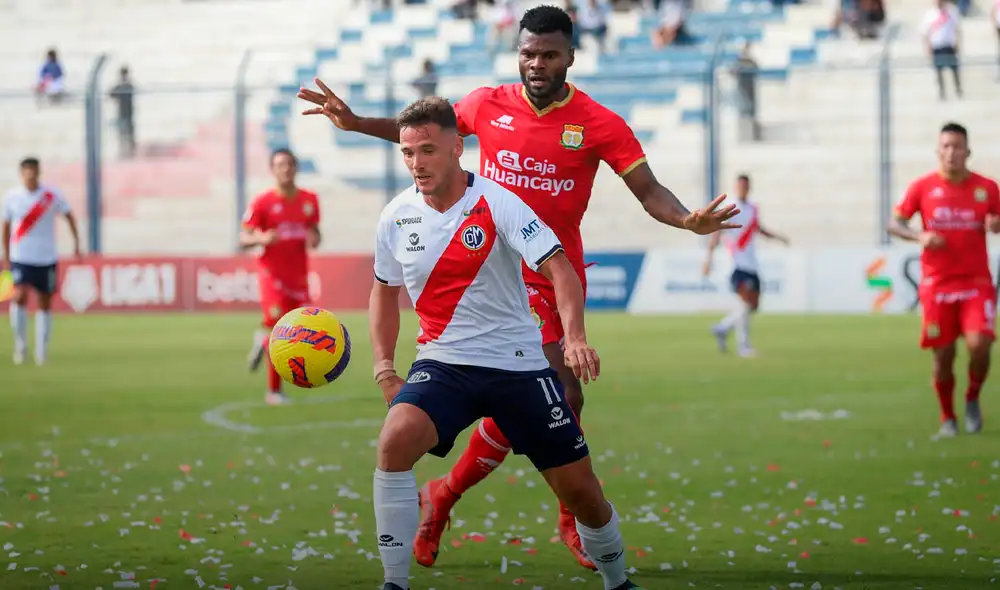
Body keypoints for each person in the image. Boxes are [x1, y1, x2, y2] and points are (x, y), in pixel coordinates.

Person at [297, 4, 739, 570]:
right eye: (528, 53)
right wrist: (358, 123)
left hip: (555, 272)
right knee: (561, 395)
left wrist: (686, 220)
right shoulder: (487, 104)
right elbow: (429, 136)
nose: (537, 63)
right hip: (494, 272)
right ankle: (564, 516)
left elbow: (649, 191)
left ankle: (445, 496)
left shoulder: (600, 123)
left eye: (549, 54)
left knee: (546, 398)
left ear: (571, 57)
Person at [369, 95, 645, 590]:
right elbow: (384, 292)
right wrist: (385, 368)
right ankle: (394, 582)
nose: (416, 163)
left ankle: (618, 581)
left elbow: (560, 268)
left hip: (518, 366)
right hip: (444, 363)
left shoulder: (498, 202)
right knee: (394, 441)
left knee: (582, 492)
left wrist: (575, 338)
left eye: (428, 150)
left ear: (457, 147)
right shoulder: (396, 215)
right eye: (408, 152)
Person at [888, 122, 1000, 437]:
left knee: (980, 344)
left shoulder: (987, 188)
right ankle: (948, 416)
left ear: (968, 151)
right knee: (943, 355)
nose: (951, 153)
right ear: (938, 151)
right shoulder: (922, 187)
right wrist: (919, 236)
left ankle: (973, 396)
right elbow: (894, 223)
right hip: (937, 284)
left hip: (976, 282)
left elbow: (998, 219)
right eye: (946, 147)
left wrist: (996, 224)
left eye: (957, 147)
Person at [240, 148, 321, 405]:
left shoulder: (309, 200)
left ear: (296, 168)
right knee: (280, 330)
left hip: (299, 276)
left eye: (289, 164)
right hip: (272, 276)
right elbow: (243, 237)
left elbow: (315, 232)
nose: (285, 169)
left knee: (300, 330)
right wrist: (261, 238)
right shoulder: (262, 202)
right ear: (272, 170)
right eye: (280, 165)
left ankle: (262, 342)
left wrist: (315, 238)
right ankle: (273, 391)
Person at [2, 157, 81, 365]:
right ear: (21, 173)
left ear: (38, 172)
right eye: (27, 171)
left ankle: (41, 351)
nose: (30, 174)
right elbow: (6, 227)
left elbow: (69, 216)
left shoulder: (51, 195)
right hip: (21, 256)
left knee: (44, 302)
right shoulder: (12, 197)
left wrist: (76, 242)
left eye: (33, 170)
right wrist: (6, 255)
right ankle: (20, 345)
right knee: (19, 296)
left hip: (46, 257)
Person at [702, 174, 788, 358]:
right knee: (745, 302)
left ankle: (723, 328)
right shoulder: (730, 207)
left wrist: (778, 238)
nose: (743, 189)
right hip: (736, 263)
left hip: (752, 264)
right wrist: (708, 259)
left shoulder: (753, 208)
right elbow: (717, 232)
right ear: (736, 187)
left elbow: (758, 228)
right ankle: (743, 346)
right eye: (740, 186)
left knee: (752, 305)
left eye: (746, 186)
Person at [920, 0, 962, 101]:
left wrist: (957, 42)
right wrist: (928, 47)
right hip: (937, 45)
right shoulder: (930, 14)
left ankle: (958, 89)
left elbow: (957, 28)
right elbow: (925, 32)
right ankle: (942, 91)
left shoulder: (951, 12)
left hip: (949, 44)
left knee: (954, 69)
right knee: (939, 70)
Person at [109, 66, 136, 159]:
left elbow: (112, 94)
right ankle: (125, 152)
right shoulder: (125, 86)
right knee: (124, 134)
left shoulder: (127, 86)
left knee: (128, 134)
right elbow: (111, 94)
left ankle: (129, 152)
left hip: (127, 113)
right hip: (124, 113)